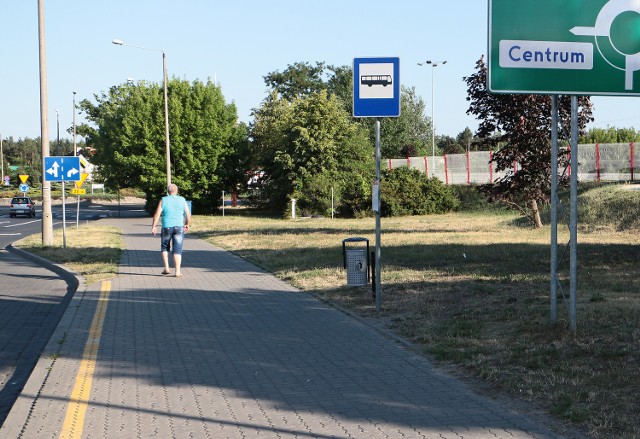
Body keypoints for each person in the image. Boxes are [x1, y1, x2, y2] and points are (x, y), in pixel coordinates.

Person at [151, 184, 191, 277]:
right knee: (177, 249)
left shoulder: (163, 200)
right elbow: (188, 215)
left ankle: (167, 268)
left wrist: (154, 226)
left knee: (165, 247)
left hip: (166, 227)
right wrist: (187, 224)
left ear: (168, 192)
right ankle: (177, 271)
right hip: (179, 227)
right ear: (177, 191)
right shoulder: (182, 200)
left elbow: (157, 214)